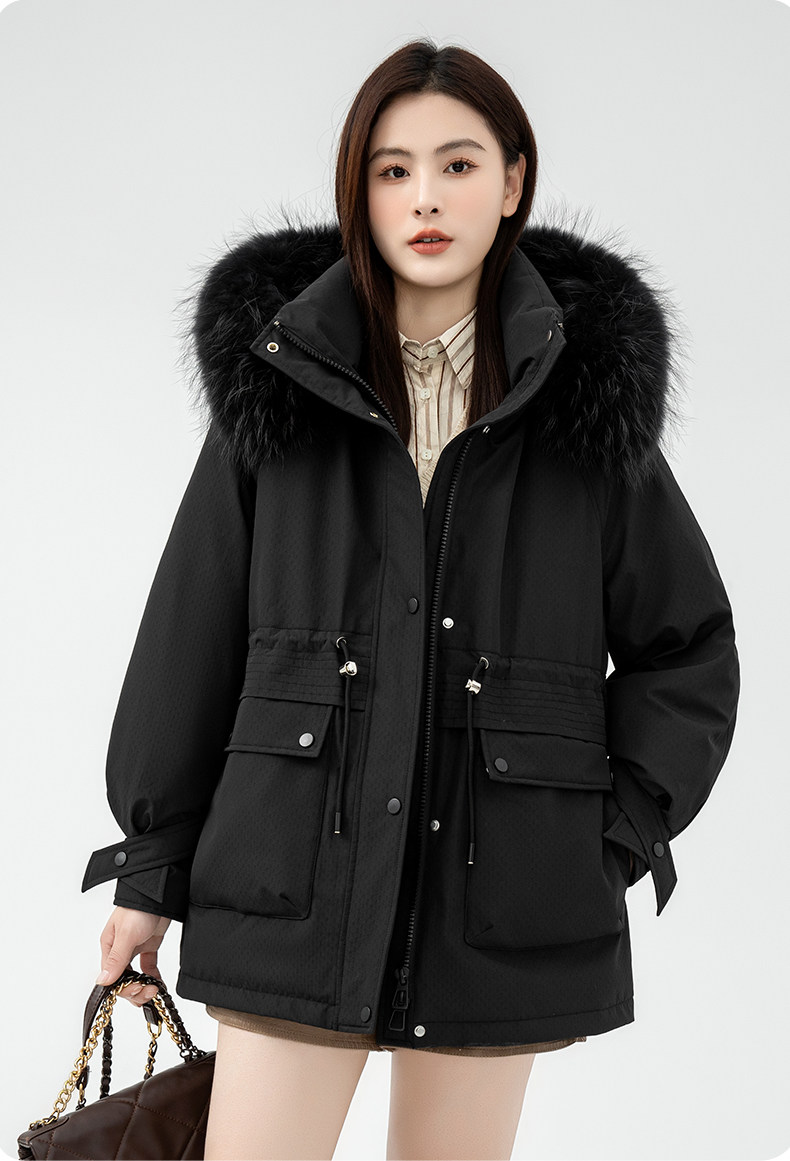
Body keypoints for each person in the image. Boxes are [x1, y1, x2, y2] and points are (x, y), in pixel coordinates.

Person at [81, 38, 740, 1161]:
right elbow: (191, 638)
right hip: (288, 883)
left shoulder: (582, 409)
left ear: (513, 181)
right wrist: (149, 867)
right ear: (361, 190)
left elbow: (688, 647)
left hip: (501, 904)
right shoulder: (281, 385)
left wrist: (608, 839)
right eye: (393, 170)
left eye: (458, 164)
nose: (425, 198)